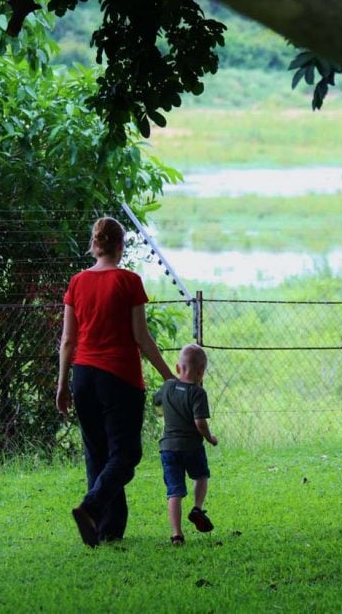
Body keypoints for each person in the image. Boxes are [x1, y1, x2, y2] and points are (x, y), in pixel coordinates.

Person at [56, 216, 174, 548]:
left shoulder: (77, 282)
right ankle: (91, 507)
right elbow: (142, 338)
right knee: (126, 453)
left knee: (98, 453)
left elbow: (67, 340)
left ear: (95, 245)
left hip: (84, 376)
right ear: (120, 246)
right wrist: (170, 377)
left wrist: (63, 384)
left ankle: (106, 530)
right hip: (119, 377)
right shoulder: (129, 281)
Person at [153, 343, 219, 546]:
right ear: (201, 371)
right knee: (201, 476)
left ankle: (176, 534)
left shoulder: (167, 387)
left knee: (174, 492)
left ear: (177, 368)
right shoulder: (198, 393)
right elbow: (200, 422)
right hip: (192, 447)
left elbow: (157, 404)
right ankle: (197, 508)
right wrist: (210, 438)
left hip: (168, 449)